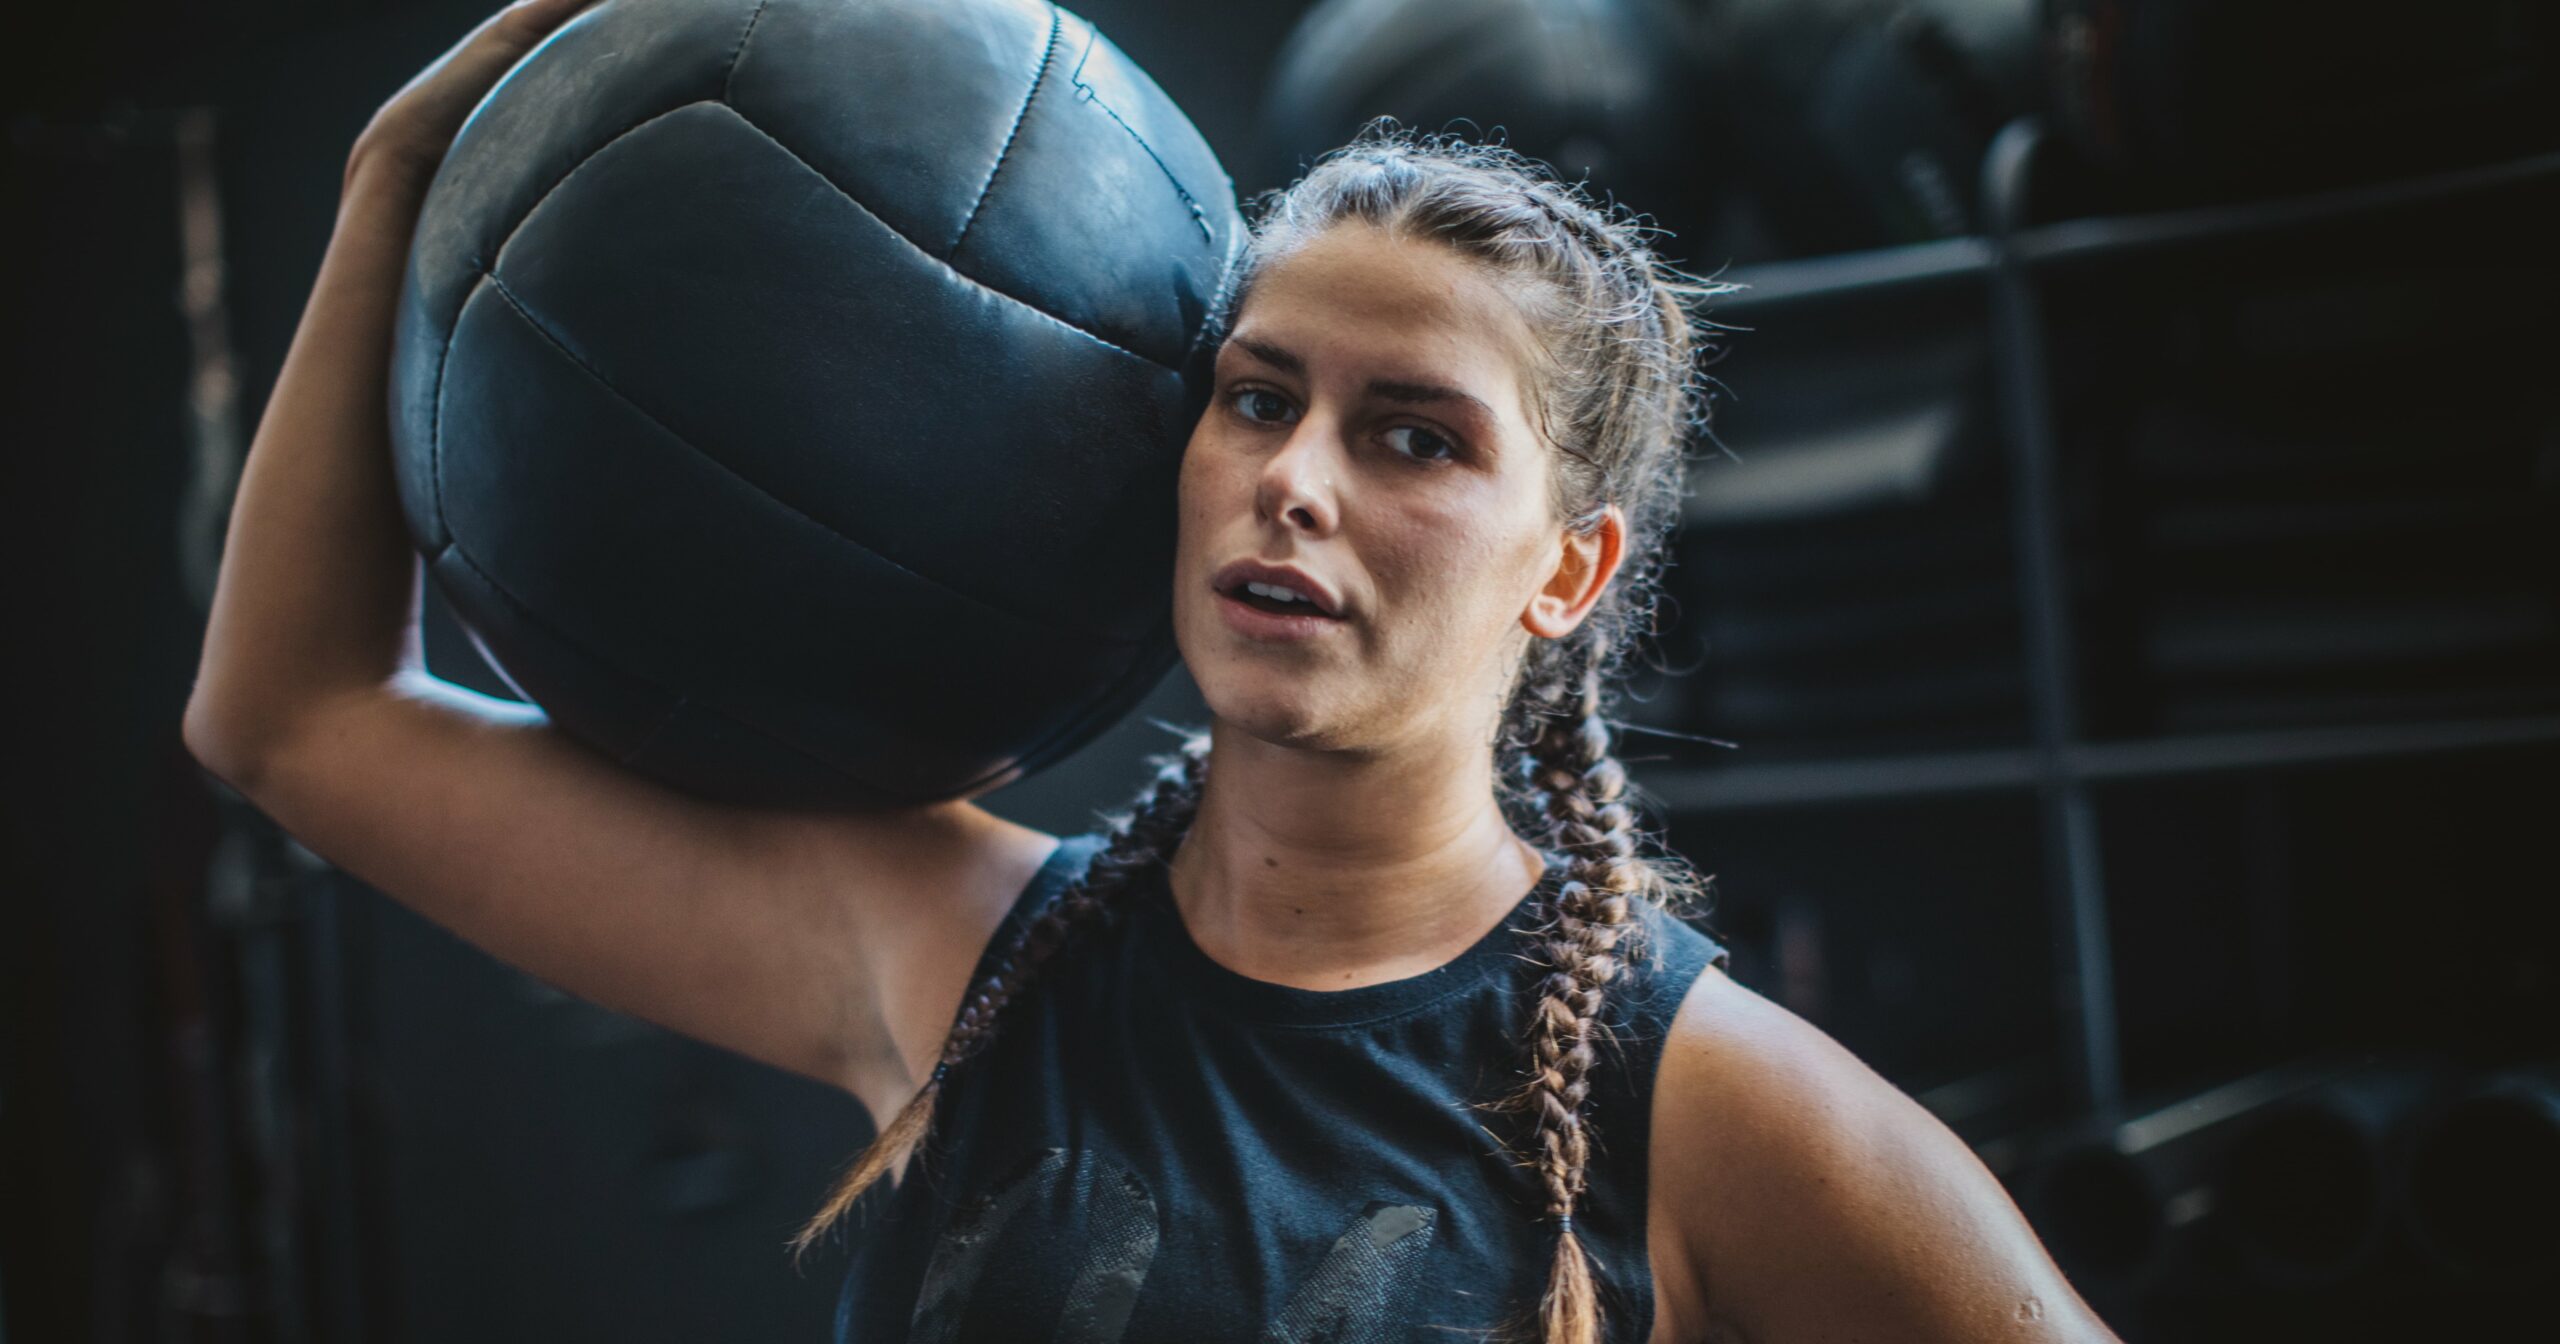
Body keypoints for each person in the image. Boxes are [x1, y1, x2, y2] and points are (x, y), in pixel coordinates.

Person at [183, 2, 2124, 1340]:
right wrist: (401, 180)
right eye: (1256, 397)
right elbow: (290, 719)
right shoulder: (950, 954)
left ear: (1567, 568)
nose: (1289, 479)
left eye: (1410, 437)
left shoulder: (1715, 1115)